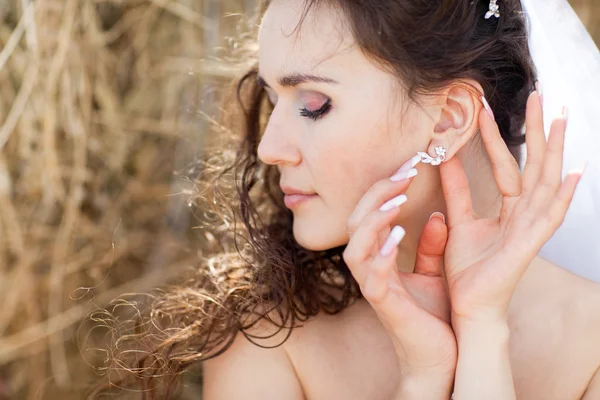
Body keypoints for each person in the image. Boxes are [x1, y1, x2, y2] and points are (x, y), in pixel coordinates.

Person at [90, 0, 600, 399]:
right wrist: (422, 381)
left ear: (447, 118)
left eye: (313, 105)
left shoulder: (591, 350)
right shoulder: (271, 345)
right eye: (271, 101)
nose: (268, 148)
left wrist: (483, 337)